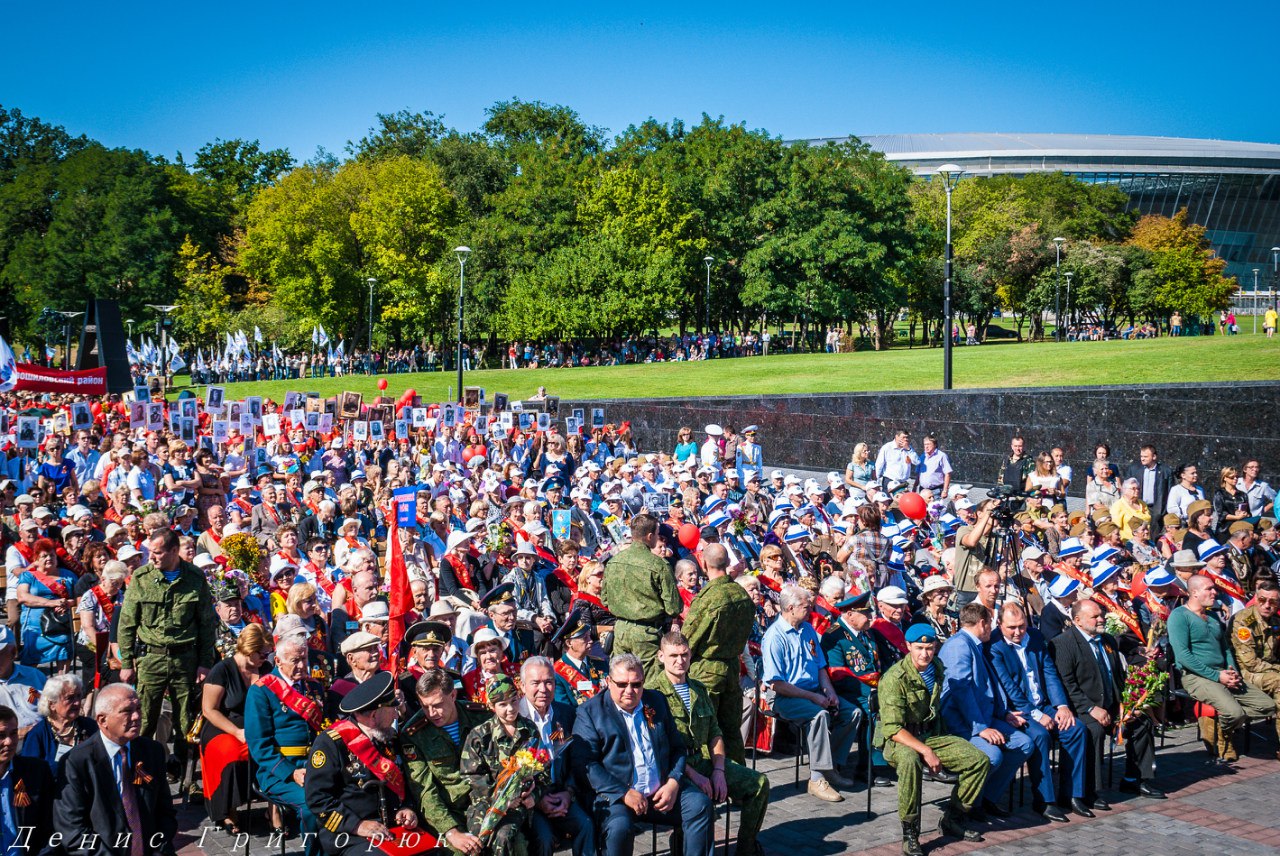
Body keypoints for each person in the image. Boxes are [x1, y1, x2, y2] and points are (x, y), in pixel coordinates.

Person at [571, 653, 713, 856]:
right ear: (609, 682)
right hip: (617, 797)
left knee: (699, 806)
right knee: (619, 827)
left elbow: (677, 748)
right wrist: (624, 793)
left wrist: (673, 782)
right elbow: (585, 765)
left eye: (636, 684)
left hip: (661, 792)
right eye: (622, 684)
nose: (629, 691)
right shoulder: (590, 712)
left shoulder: (656, 700)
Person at [652, 632, 769, 856]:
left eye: (684, 654)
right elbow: (660, 747)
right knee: (699, 802)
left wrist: (718, 770)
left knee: (759, 783)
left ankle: (746, 849)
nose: (680, 661)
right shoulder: (653, 694)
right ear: (660, 656)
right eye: (673, 655)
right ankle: (682, 845)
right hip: (672, 769)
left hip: (703, 761)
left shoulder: (698, 689)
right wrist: (695, 776)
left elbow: (715, 733)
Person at [876, 624, 987, 856]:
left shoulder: (936, 667)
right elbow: (893, 728)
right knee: (910, 762)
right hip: (899, 739)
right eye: (919, 648)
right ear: (908, 647)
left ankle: (953, 818)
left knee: (978, 761)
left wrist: (935, 744)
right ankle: (910, 832)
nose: (925, 653)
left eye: (930, 647)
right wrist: (926, 751)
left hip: (930, 734)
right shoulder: (894, 678)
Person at [115, 528, 217, 778]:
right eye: (151, 552)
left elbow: (206, 623)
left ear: (173, 551)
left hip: (185, 658)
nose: (152, 557)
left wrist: (205, 663)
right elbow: (127, 623)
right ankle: (140, 768)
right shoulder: (141, 578)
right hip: (151, 657)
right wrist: (126, 662)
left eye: (157, 552)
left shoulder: (194, 577)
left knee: (185, 720)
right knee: (145, 717)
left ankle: (180, 770)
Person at [305, 672, 431, 856]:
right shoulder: (331, 743)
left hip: (392, 827)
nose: (397, 714)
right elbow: (317, 799)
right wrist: (357, 825)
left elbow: (409, 781)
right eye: (392, 709)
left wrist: (407, 808)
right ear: (373, 715)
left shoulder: (390, 737)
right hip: (349, 833)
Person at [1052, 599, 1163, 804]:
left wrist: (1128, 706)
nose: (1101, 619)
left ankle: (1135, 778)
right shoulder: (1064, 643)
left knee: (1141, 722)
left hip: (1112, 705)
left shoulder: (1108, 641)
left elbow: (1118, 677)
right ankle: (1090, 790)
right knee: (1093, 730)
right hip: (1083, 708)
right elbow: (1066, 684)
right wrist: (1091, 708)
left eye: (1101, 615)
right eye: (1094, 617)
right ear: (1077, 620)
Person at [988, 603, 1087, 822]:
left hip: (1043, 704)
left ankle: (1073, 794)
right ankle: (1044, 799)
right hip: (1017, 712)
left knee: (1076, 729)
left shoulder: (1033, 636)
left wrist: (1061, 706)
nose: (1017, 632)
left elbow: (1049, 672)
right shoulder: (995, 646)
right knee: (1040, 736)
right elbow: (1009, 688)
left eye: (1021, 626)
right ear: (1000, 624)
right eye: (1011, 627)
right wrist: (1035, 715)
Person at [761, 584, 860, 802]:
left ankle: (830, 765)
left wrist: (829, 691)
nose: (811, 611)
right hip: (785, 697)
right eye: (806, 607)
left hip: (813, 690)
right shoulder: (774, 637)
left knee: (852, 712)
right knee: (819, 715)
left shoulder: (807, 629)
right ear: (789, 608)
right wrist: (813, 697)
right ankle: (816, 778)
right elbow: (777, 684)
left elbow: (821, 666)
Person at [54, 683, 178, 856]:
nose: (136, 716)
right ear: (102, 720)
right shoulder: (76, 762)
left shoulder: (152, 751)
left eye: (138, 708)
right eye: (127, 711)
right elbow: (72, 830)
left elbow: (165, 811)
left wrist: (158, 849)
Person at [937, 603, 1033, 819]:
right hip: (962, 723)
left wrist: (1003, 713)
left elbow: (987, 687)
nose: (993, 628)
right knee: (992, 755)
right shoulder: (959, 646)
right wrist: (980, 729)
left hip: (984, 716)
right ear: (982, 623)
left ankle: (985, 798)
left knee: (1023, 743)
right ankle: (962, 805)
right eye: (991, 622)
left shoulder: (975, 644)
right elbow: (961, 692)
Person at [1169, 575, 1275, 763]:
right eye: (1209, 589)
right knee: (1235, 713)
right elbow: (1183, 656)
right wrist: (1217, 676)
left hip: (1223, 673)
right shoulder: (1179, 616)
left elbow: (1225, 647)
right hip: (1197, 677)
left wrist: (1231, 669)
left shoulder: (1211, 615)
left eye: (1214, 588)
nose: (1214, 592)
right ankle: (1225, 735)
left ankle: (1222, 724)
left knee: (1267, 706)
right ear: (1194, 592)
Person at [245, 637, 325, 853]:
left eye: (304, 658)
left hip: (316, 765)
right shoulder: (261, 691)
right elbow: (259, 745)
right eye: (295, 660)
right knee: (311, 806)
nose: (301, 665)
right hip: (279, 771)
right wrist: (290, 773)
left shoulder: (314, 686)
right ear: (278, 661)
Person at [400, 669, 490, 856]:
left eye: (437, 705)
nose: (432, 713)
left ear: (453, 695)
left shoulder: (481, 717)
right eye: (425, 706)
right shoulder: (414, 734)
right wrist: (452, 832)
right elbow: (425, 792)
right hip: (451, 813)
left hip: (487, 803)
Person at [680, 542, 755, 764]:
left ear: (704, 564)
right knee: (731, 731)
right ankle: (739, 783)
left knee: (705, 731)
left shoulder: (708, 598)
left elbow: (688, 639)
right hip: (732, 667)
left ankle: (710, 784)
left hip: (707, 671)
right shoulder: (741, 593)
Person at [515, 657, 594, 856]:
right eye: (535, 683)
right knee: (544, 838)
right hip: (530, 802)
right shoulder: (514, 719)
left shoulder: (566, 714)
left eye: (549, 682)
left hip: (561, 792)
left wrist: (568, 793)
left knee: (585, 825)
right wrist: (538, 799)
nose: (543, 689)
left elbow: (575, 760)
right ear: (523, 686)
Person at [200, 624, 270, 835]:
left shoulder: (265, 669)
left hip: (256, 726)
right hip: (223, 727)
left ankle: (273, 807)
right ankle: (228, 810)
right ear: (250, 650)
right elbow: (209, 710)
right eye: (263, 653)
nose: (266, 657)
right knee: (231, 755)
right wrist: (237, 732)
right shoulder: (222, 670)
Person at [602, 514, 681, 679]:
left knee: (621, 680)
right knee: (648, 683)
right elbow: (674, 608)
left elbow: (605, 600)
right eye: (658, 533)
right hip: (647, 633)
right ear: (650, 536)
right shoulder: (658, 565)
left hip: (621, 629)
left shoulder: (614, 562)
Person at [1228, 578, 1280, 745]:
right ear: (1256, 599)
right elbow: (1251, 663)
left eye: (1272, 601)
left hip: (1268, 670)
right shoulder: (1245, 621)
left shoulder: (1275, 621)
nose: (1267, 605)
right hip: (1245, 673)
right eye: (1262, 600)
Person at [0, 704, 56, 853]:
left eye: (13, 733)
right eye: (1, 736)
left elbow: (50, 829)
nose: (9, 742)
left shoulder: (36, 772)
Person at [21, 673, 96, 782]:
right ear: (52, 704)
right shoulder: (37, 735)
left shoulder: (90, 726)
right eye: (69, 698)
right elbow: (30, 776)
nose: (77, 702)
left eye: (79, 696)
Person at [550, 614, 607, 707]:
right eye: (585, 638)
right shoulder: (556, 673)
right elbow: (564, 709)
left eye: (589, 636)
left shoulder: (600, 663)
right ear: (569, 643)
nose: (591, 641)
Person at [1125, 445, 1173, 533]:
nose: (1142, 459)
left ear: (1154, 457)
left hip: (1157, 510)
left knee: (1153, 536)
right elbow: (1126, 488)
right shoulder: (1134, 469)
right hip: (1138, 507)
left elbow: (1170, 491)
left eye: (1145, 456)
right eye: (1141, 456)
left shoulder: (1165, 471)